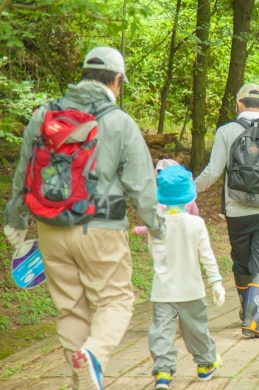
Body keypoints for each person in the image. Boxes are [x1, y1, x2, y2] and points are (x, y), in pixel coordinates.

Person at [2, 47, 164, 390]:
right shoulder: (119, 121)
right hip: (100, 228)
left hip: (50, 228)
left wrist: (15, 221)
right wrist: (157, 228)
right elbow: (142, 184)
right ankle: (93, 354)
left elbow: (22, 173)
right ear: (116, 80)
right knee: (116, 299)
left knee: (71, 310)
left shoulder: (44, 113)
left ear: (84, 74)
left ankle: (83, 383)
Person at [195, 83, 259, 339]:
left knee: (241, 261)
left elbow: (213, 172)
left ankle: (244, 306)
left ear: (238, 105)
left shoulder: (226, 131)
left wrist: (188, 191)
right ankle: (252, 318)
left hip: (236, 209)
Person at [148, 165, 224, 390]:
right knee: (196, 328)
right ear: (189, 196)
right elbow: (207, 256)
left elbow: (155, 254)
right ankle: (206, 364)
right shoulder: (196, 224)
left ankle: (163, 371)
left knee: (161, 330)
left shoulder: (156, 223)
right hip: (191, 287)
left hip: (163, 288)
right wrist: (216, 282)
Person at [131, 159, 199, 236]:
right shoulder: (189, 201)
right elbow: (195, 215)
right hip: (185, 237)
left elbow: (155, 226)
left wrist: (139, 230)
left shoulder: (159, 205)